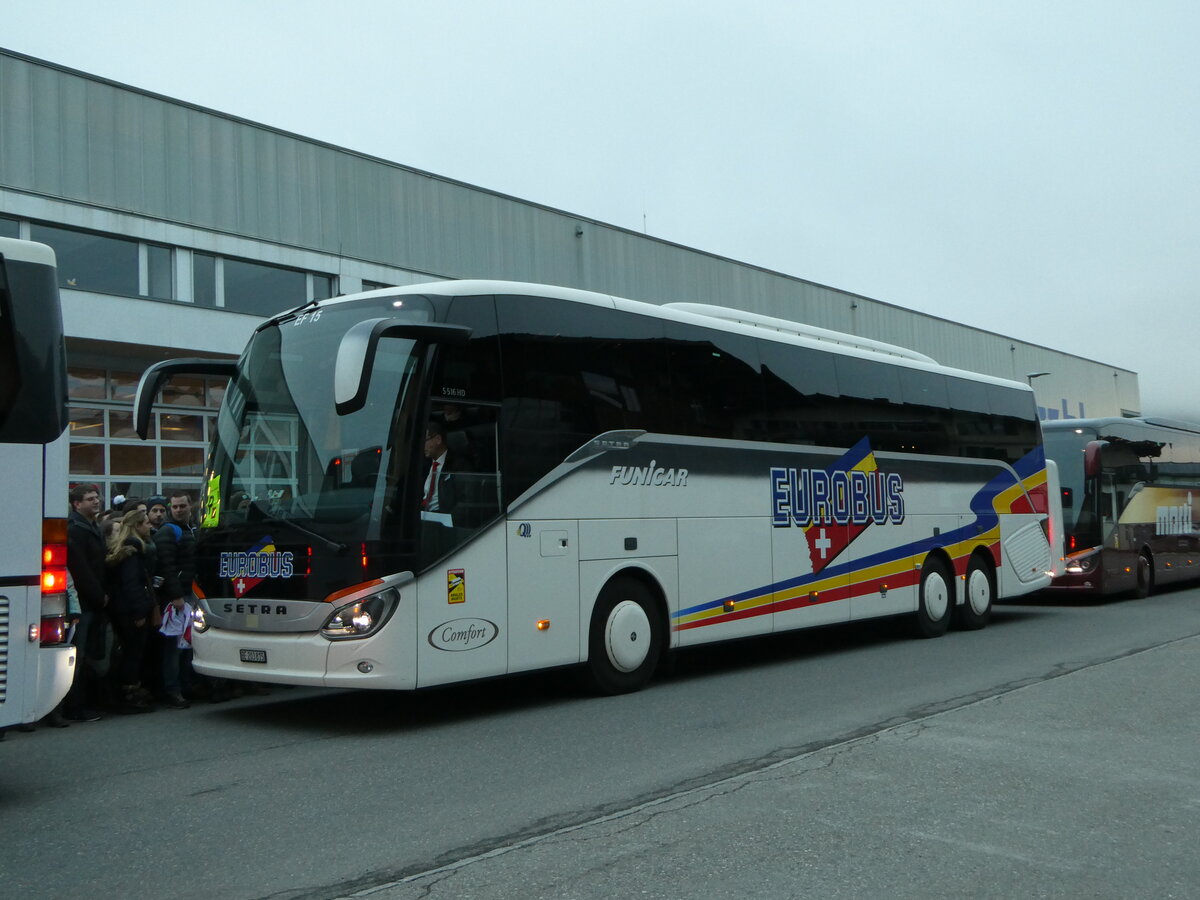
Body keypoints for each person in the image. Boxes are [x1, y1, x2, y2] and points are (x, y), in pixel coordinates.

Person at [106, 509, 157, 713]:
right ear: (136, 526)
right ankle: (129, 694)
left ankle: (127, 693)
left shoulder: (124, 549)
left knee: (129, 653)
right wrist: (139, 612)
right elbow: (132, 585)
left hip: (123, 610)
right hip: (131, 612)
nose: (149, 526)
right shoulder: (133, 551)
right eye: (145, 523)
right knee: (132, 654)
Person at [64, 483, 107, 722]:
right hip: (82, 603)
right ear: (77, 503)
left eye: (97, 497)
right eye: (90, 498)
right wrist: (99, 595)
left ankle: (83, 704)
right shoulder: (76, 529)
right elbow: (80, 570)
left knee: (87, 655)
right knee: (76, 658)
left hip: (92, 601)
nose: (96, 501)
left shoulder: (91, 526)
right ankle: (74, 707)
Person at [420, 421, 460, 515]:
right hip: (423, 516)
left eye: (425, 440)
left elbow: (464, 502)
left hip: (444, 519)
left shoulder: (457, 465)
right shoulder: (423, 465)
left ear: (438, 439)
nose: (422, 446)